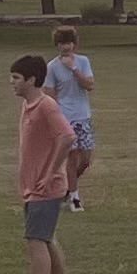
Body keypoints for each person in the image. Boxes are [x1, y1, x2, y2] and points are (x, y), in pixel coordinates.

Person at [10, 52, 84, 274]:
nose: (12, 82)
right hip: (33, 187)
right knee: (47, 237)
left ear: (31, 80)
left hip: (45, 189)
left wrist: (50, 173)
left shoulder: (46, 105)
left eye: (16, 78)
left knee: (36, 240)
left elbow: (67, 137)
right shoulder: (29, 106)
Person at [49, 22, 98, 209]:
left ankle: (66, 189)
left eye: (68, 43)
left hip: (83, 116)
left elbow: (90, 85)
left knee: (85, 161)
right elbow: (50, 94)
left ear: (74, 44)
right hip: (65, 118)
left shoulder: (83, 62)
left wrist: (73, 69)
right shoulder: (52, 67)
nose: (65, 47)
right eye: (61, 43)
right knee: (72, 157)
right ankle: (75, 199)